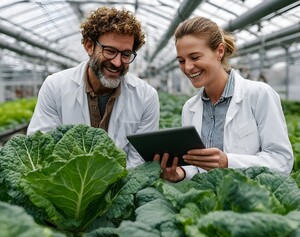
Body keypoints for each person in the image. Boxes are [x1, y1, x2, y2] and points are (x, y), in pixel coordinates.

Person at [155, 16, 294, 182]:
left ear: (219, 51)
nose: (188, 67)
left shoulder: (259, 95)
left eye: (195, 57)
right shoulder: (189, 108)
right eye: (181, 61)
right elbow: (195, 166)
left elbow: (282, 160)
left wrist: (228, 162)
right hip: (206, 204)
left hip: (252, 201)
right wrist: (181, 174)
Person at [27, 6, 160, 169]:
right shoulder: (55, 86)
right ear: (89, 46)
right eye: (110, 51)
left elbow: (139, 162)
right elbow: (40, 148)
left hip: (120, 189)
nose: (117, 62)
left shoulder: (146, 96)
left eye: (126, 54)